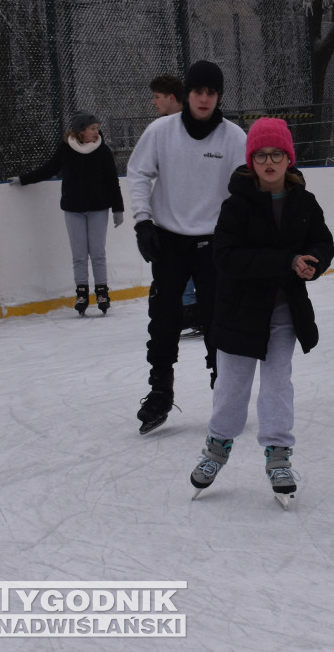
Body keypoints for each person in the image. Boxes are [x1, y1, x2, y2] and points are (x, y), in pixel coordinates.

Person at [189, 117, 334, 507]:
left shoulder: (305, 203)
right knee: (231, 387)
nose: (268, 161)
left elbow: (323, 242)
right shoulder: (235, 205)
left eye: (276, 154)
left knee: (277, 386)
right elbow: (227, 258)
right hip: (239, 312)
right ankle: (216, 449)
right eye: (260, 155)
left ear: (289, 159)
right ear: (250, 160)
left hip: (285, 312)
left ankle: (278, 456)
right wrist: (287, 262)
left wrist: (314, 261)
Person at [127, 60, 247, 435]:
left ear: (219, 96)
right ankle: (160, 389)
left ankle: (223, 388)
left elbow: (247, 188)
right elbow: (138, 173)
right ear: (188, 94)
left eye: (212, 92)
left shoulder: (234, 138)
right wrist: (143, 220)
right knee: (163, 317)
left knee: (218, 320)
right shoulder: (161, 131)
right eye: (199, 91)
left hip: (216, 244)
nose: (205, 98)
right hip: (169, 241)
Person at [9, 111, 124, 316]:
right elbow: (49, 169)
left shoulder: (103, 151)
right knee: (79, 255)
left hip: (98, 208)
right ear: (80, 131)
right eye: (92, 129)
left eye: (97, 128)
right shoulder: (66, 150)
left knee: (97, 253)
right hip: (73, 210)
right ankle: (81, 293)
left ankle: (102, 292)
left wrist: (118, 209)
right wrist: (24, 179)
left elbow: (112, 181)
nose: (97, 132)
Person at [149, 74, 201, 335]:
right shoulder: (160, 130)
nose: (153, 102)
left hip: (195, 213)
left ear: (171, 98)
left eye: (157, 97)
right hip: (172, 215)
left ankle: (192, 307)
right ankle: (186, 306)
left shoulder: (192, 125)